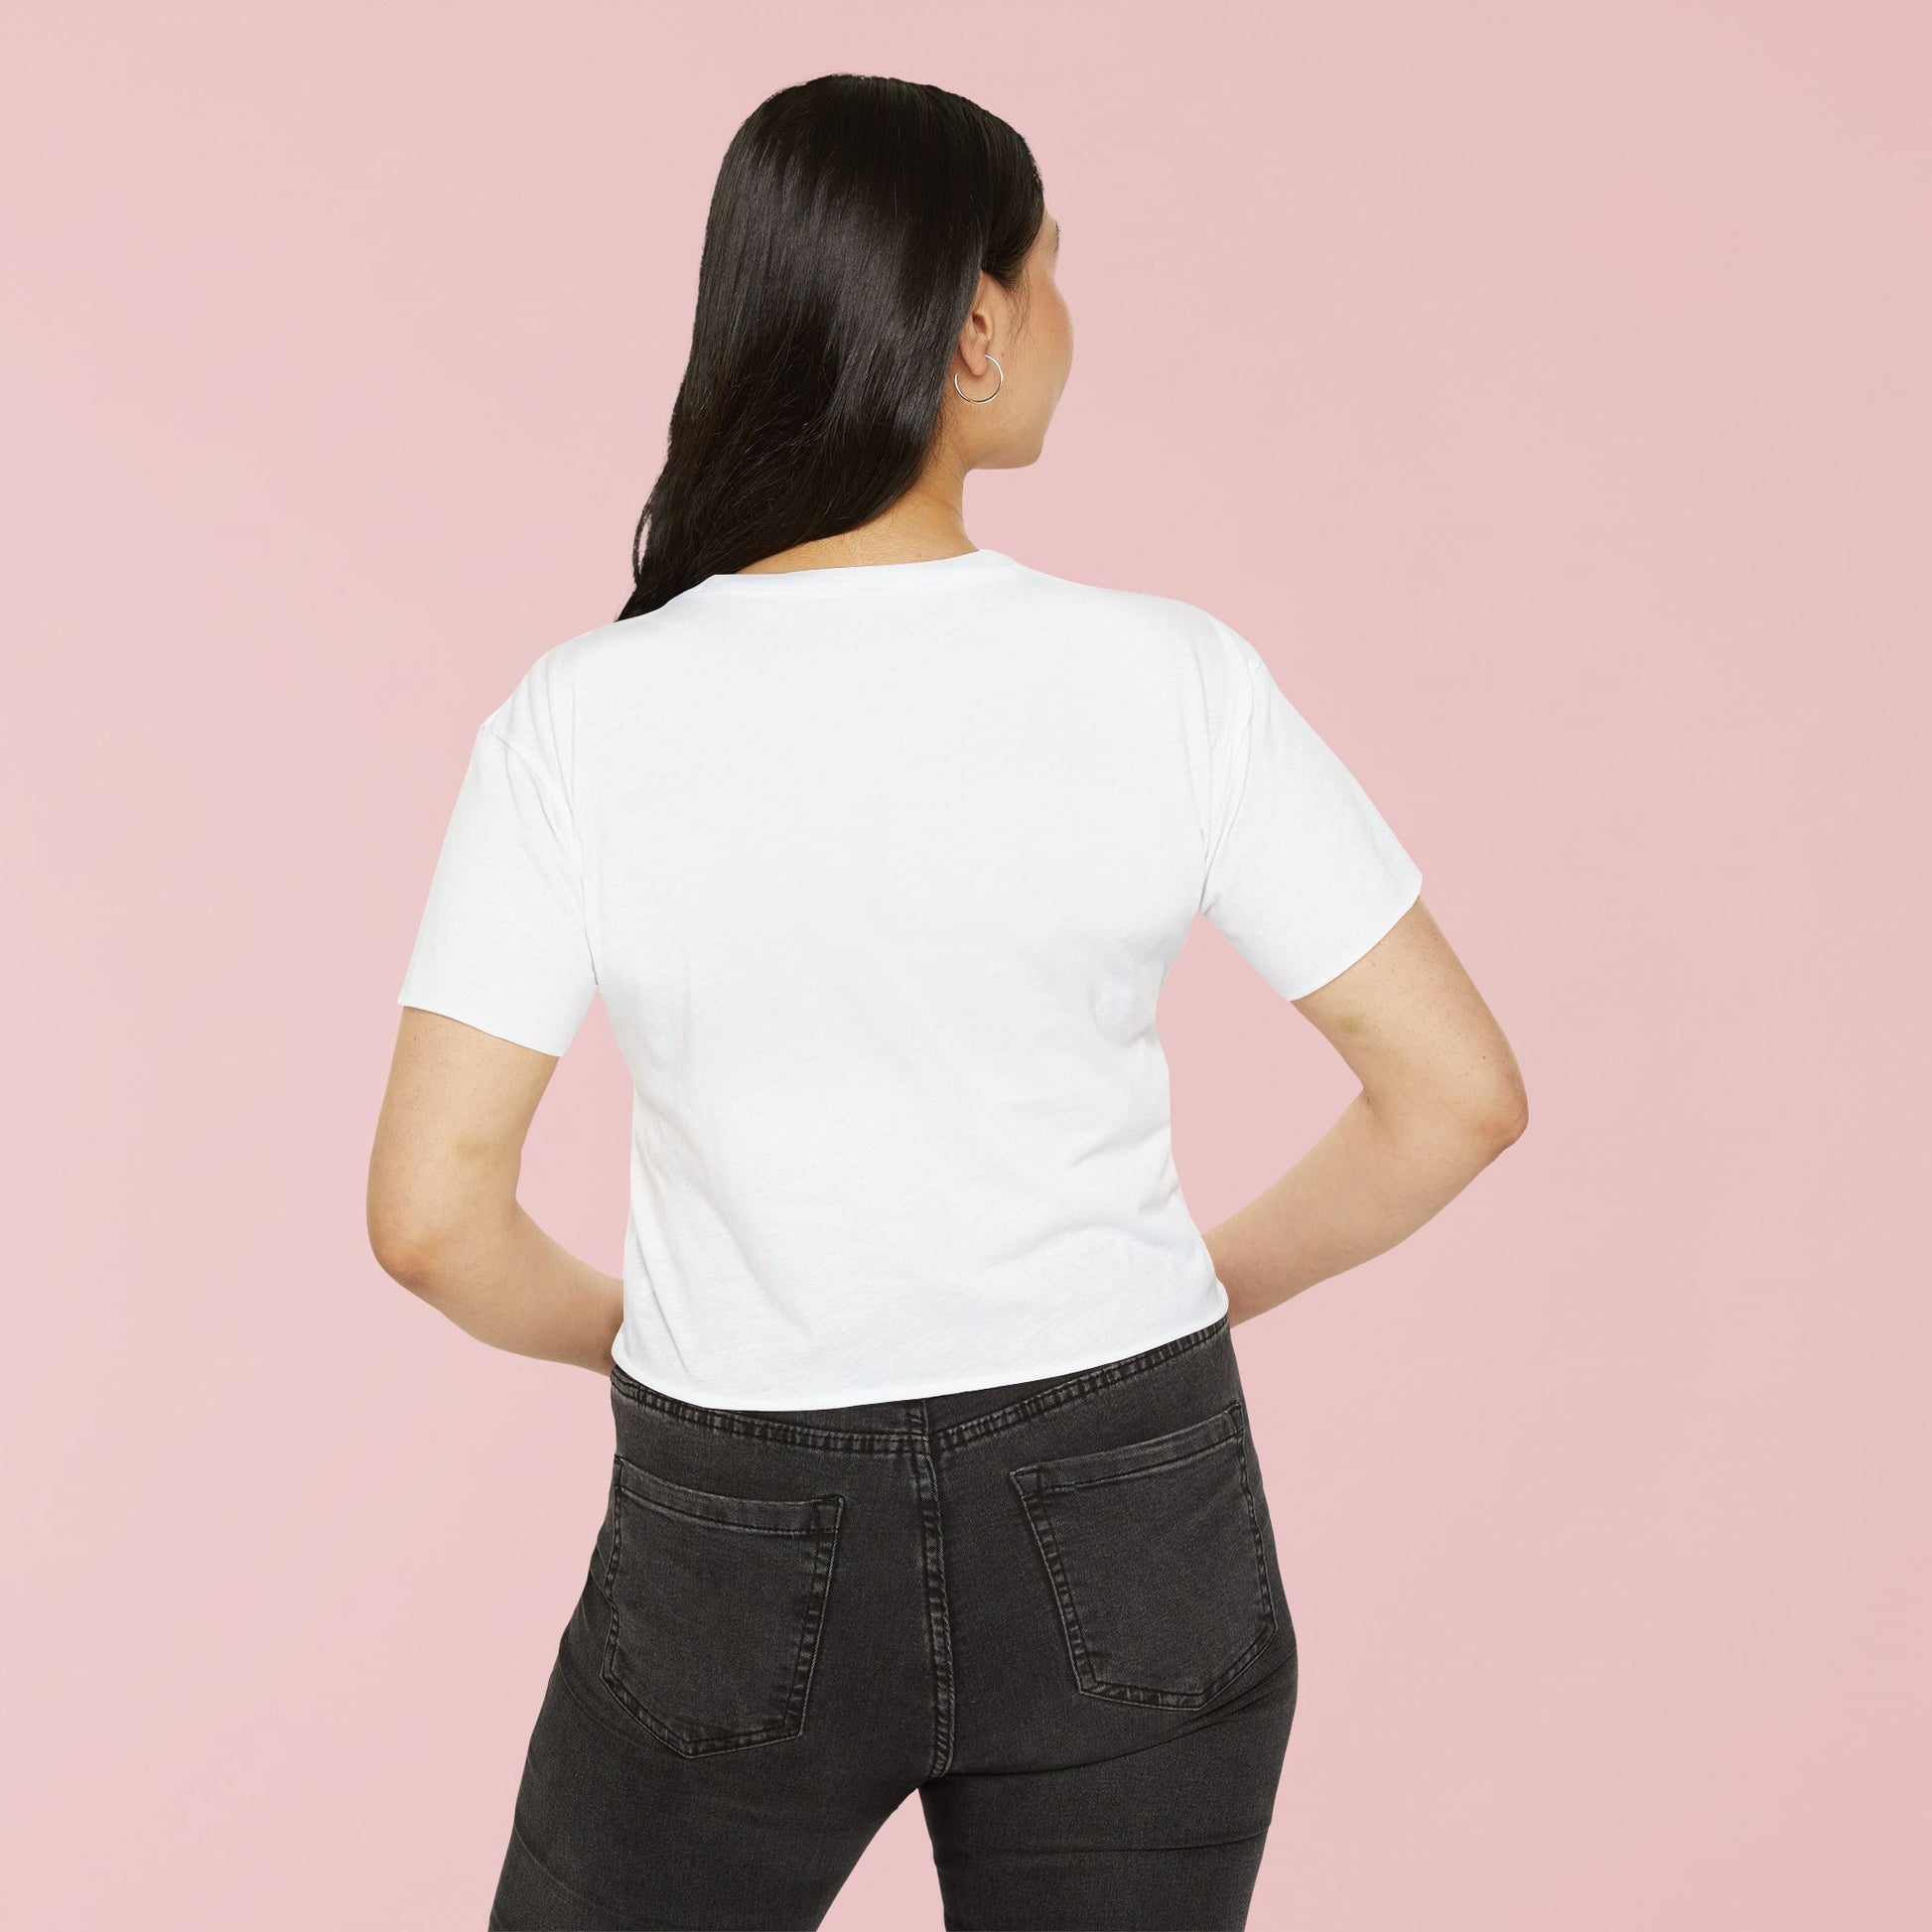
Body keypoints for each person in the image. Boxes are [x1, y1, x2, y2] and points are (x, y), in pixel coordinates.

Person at [367, 71, 1527, 1932]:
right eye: (1053, 271)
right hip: (1132, 1496)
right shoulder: (1172, 680)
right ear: (975, 326)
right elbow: (1455, 1093)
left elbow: (430, 1217)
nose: (1070, 317)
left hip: (737, 1516)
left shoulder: (581, 717)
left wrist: (634, 1330)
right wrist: (1183, 1291)